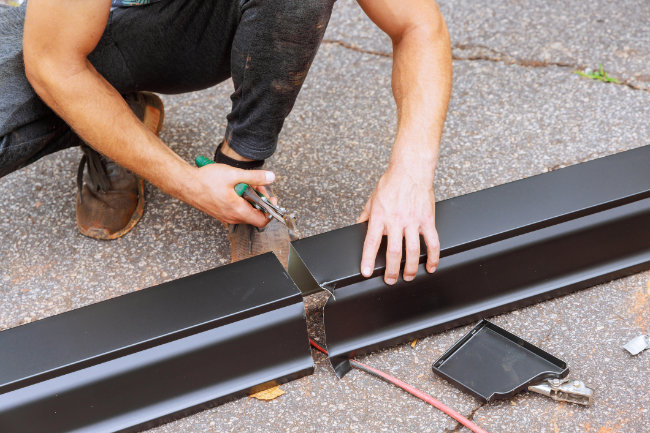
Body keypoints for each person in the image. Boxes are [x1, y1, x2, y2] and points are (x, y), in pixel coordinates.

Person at [0, 0, 451, 285]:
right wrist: (186, 182)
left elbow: (417, 25)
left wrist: (410, 174)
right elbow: (54, 63)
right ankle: (109, 118)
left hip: (188, 24)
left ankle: (241, 170)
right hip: (55, 30)